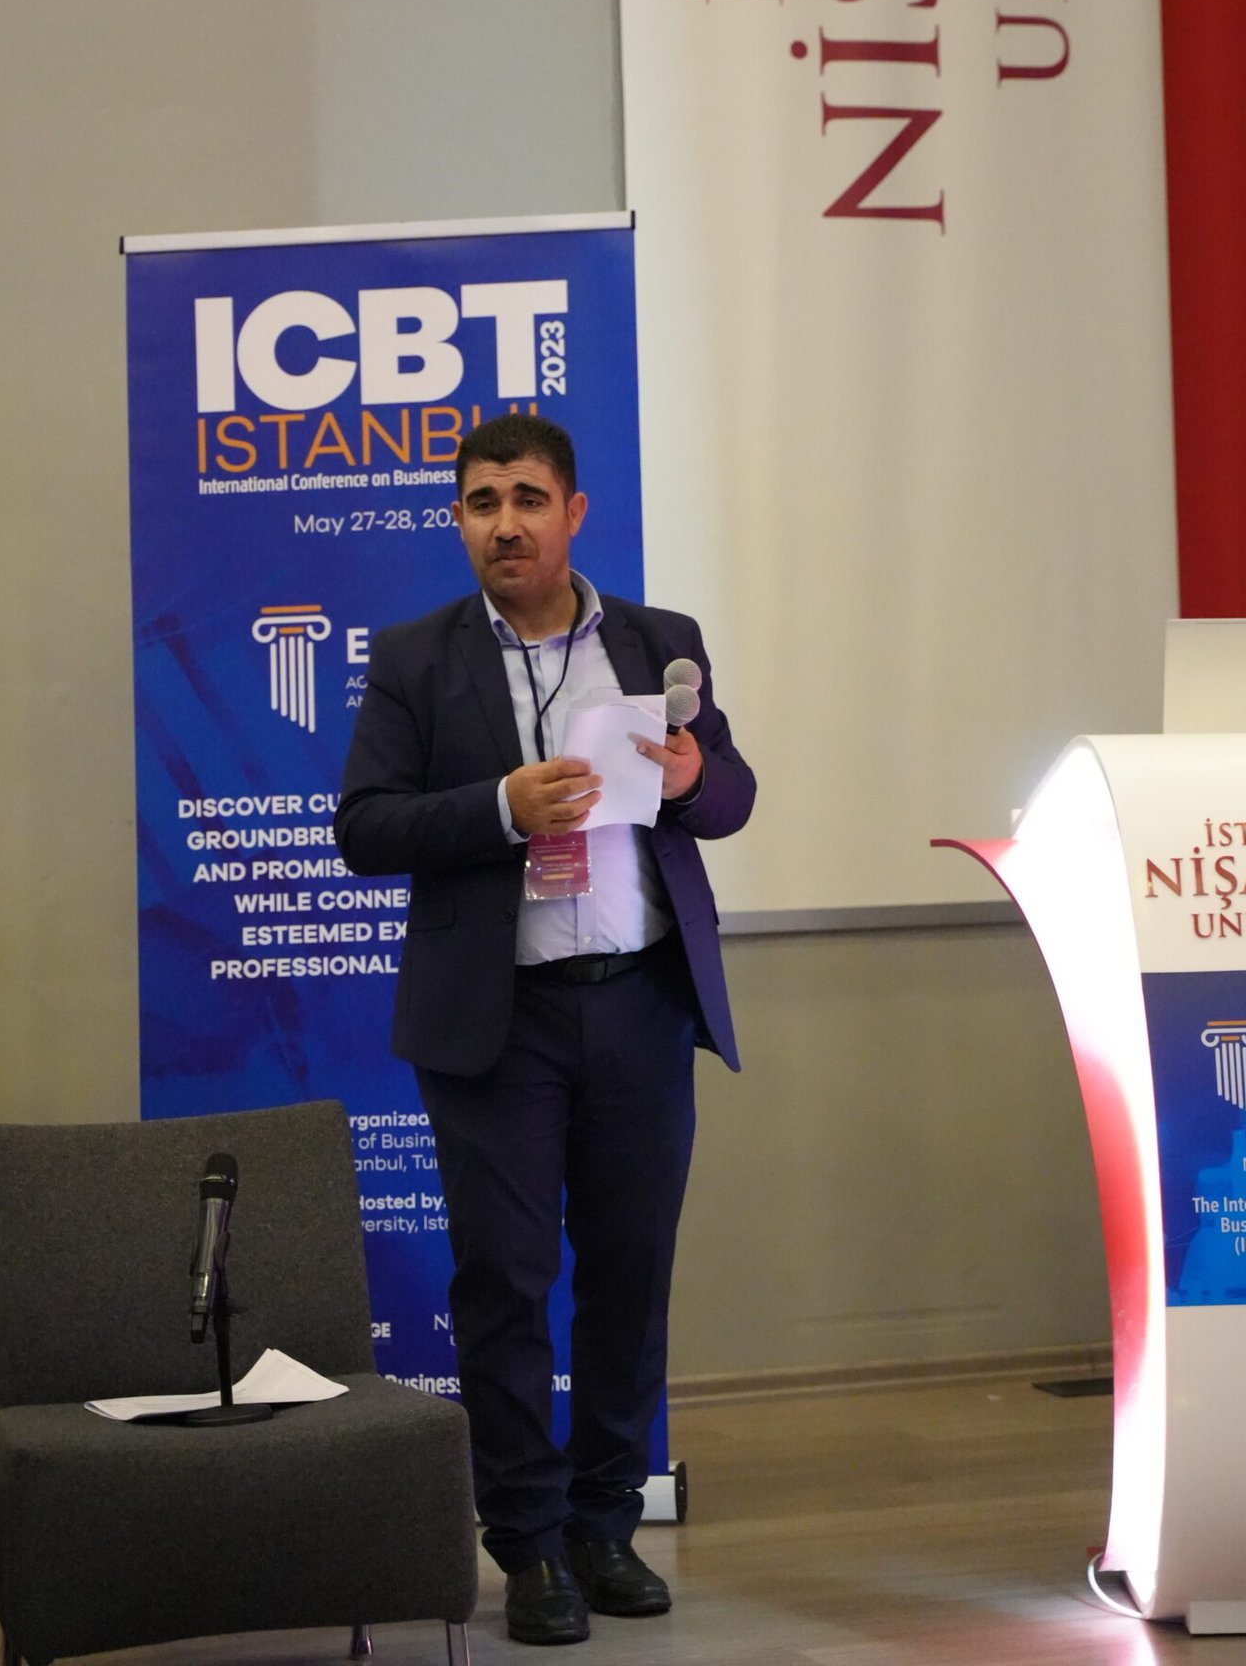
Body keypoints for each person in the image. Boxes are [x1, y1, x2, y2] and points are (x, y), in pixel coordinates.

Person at [336, 413, 754, 1647]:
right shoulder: (416, 658)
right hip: (497, 1024)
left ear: (573, 513)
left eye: (527, 499)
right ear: (457, 522)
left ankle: (605, 1524)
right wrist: (501, 807)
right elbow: (364, 826)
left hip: (638, 1003)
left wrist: (691, 780)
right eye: (481, 503)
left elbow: (731, 795)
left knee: (628, 1276)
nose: (505, 524)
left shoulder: (659, 641)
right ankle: (524, 1543)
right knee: (505, 1284)